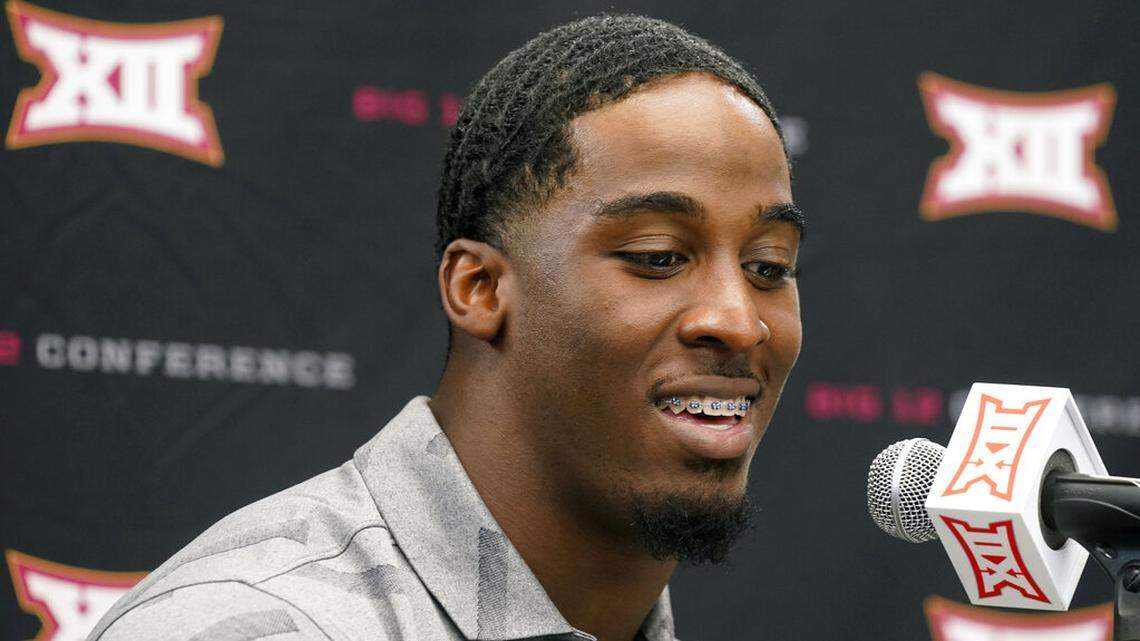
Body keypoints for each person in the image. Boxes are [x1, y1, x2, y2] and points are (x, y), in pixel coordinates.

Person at [88, 14, 803, 641]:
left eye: (769, 266)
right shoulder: (254, 625)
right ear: (480, 287)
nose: (738, 320)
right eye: (658, 256)